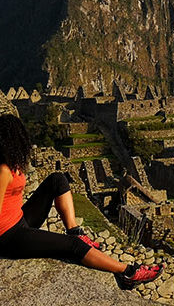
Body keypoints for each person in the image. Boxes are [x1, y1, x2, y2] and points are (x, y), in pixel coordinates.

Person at [0, 113, 164, 287]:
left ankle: (74, 230)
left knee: (57, 180)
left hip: (20, 219)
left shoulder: (13, 163)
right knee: (74, 246)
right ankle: (128, 272)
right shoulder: (3, 170)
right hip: (8, 236)